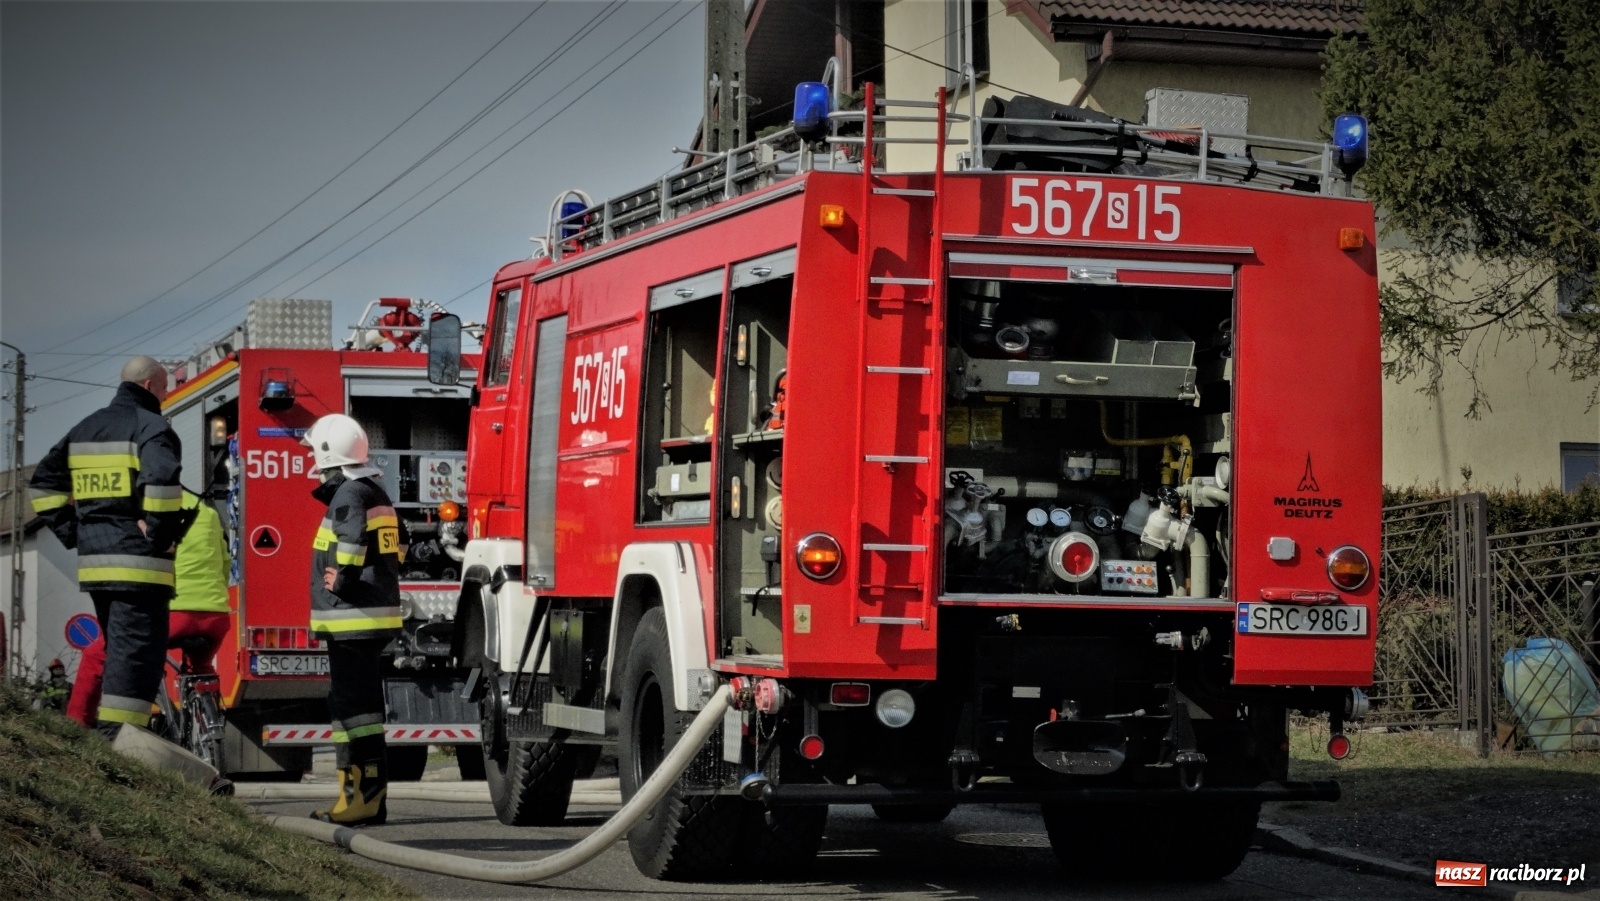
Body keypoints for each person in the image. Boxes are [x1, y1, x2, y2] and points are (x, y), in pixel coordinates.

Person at [30, 355, 184, 740]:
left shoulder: (86, 427)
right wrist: (160, 537)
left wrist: (77, 533)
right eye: (165, 387)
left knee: (118, 652)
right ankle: (120, 743)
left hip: (96, 566)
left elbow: (43, 485)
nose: (166, 395)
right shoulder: (150, 426)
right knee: (136, 659)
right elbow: (163, 481)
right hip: (139, 568)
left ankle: (115, 738)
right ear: (149, 385)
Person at [302, 413, 402, 826]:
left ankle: (361, 796)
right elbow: (399, 549)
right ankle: (363, 796)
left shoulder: (348, 493)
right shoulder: (374, 491)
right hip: (368, 619)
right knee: (356, 709)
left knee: (354, 711)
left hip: (351, 620)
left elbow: (351, 538)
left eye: (314, 451)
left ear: (328, 454)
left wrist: (340, 578)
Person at [66, 488, 233, 730]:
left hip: (172, 614)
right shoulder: (207, 512)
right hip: (215, 617)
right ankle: (208, 727)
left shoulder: (142, 512)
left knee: (96, 654)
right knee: (201, 667)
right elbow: (225, 563)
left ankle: (74, 727)